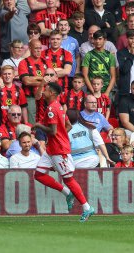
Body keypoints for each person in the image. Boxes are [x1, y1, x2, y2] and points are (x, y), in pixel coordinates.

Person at [34, 82, 95, 222]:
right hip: (52, 149)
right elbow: (67, 126)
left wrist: (39, 126)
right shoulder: (60, 107)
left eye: (46, 90)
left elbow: (53, 131)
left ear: (52, 94)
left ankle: (87, 207)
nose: (43, 92)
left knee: (68, 179)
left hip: (59, 151)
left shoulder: (51, 109)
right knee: (38, 174)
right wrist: (61, 136)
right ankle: (67, 193)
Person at [82, 30, 116, 97]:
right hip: (92, 91)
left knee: (108, 107)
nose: (97, 41)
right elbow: (85, 75)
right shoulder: (88, 55)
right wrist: (93, 91)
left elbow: (113, 76)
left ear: (105, 40)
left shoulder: (110, 55)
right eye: (95, 39)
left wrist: (107, 93)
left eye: (100, 39)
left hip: (107, 91)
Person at [18, 39, 45, 124]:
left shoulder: (46, 61)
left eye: (40, 48)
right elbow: (26, 81)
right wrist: (43, 80)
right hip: (30, 96)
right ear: (30, 48)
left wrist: (33, 78)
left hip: (44, 95)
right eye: (36, 48)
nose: (38, 50)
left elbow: (52, 78)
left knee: (44, 120)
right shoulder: (23, 62)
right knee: (31, 121)